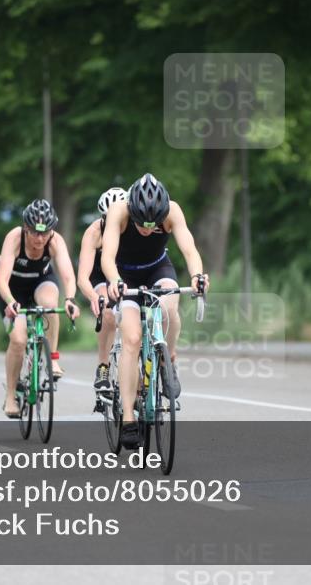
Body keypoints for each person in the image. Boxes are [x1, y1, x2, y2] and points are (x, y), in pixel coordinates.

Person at [102, 173, 209, 449]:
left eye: (153, 225)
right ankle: (128, 417)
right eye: (142, 224)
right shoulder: (119, 212)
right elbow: (107, 257)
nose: (148, 229)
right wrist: (114, 281)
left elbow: (189, 249)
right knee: (132, 339)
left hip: (158, 268)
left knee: (168, 306)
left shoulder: (172, 211)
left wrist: (198, 275)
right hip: (126, 276)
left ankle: (167, 359)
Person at [0, 199, 81, 418]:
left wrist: (70, 299)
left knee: (51, 305)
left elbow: (69, 276)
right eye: (34, 233)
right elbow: (1, 281)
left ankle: (52, 358)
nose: (40, 239)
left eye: (45, 234)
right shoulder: (14, 238)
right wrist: (10, 302)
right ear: (26, 228)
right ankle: (10, 397)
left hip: (40, 282)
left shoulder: (55, 241)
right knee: (18, 340)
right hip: (13, 290)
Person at [76, 187, 128, 394]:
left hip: (126, 271)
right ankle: (103, 366)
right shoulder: (94, 232)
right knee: (108, 312)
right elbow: (82, 277)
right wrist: (94, 297)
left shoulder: (134, 228)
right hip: (100, 276)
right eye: (107, 217)